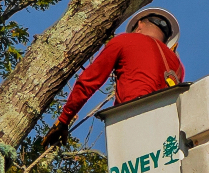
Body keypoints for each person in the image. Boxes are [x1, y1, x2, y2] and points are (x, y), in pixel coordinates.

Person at [45, 7, 183, 144]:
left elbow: (89, 80)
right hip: (166, 130)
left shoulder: (125, 41)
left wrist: (64, 119)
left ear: (139, 25)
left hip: (132, 118)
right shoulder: (178, 67)